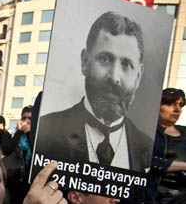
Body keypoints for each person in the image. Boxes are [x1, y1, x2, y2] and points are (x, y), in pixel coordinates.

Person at [36, 11, 152, 171]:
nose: (114, 77)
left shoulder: (146, 147)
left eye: (126, 64)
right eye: (105, 59)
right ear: (85, 62)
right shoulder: (46, 131)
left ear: (138, 76)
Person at [151, 88, 186, 204]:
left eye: (180, 105)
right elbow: (144, 161)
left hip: (181, 202)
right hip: (154, 200)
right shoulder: (146, 133)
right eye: (171, 104)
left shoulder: (184, 132)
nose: (177, 109)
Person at [1, 105, 35, 204]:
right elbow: (7, 148)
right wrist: (19, 132)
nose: (27, 121)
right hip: (13, 177)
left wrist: (29, 133)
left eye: (30, 118)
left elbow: (36, 150)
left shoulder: (36, 135)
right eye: (24, 118)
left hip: (28, 179)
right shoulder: (10, 132)